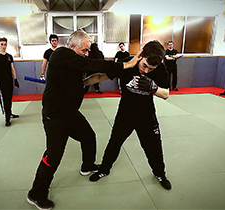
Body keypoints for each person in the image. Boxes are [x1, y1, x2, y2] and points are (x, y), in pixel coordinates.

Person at [27, 30, 142, 210]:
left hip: (70, 113)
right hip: (55, 117)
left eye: (88, 50)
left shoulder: (74, 62)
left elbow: (96, 66)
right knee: (53, 155)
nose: (87, 53)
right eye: (84, 50)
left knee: (89, 137)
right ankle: (36, 193)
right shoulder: (61, 54)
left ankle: (87, 165)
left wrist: (93, 45)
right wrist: (127, 65)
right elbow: (92, 64)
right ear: (72, 46)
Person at [86, 40, 172, 191]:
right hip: (125, 113)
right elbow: (99, 77)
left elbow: (165, 94)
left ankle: (160, 174)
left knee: (154, 147)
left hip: (146, 115)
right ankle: (104, 170)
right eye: (144, 65)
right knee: (114, 143)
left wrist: (153, 87)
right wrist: (79, 83)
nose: (146, 71)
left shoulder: (160, 69)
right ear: (140, 55)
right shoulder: (126, 64)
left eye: (150, 69)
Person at [0, 37, 20, 127]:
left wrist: (15, 80)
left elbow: (12, 69)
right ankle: (7, 118)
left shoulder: (9, 56)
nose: (3, 46)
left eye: (5, 44)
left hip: (9, 81)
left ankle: (9, 113)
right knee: (5, 100)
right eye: (1, 44)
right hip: (1, 82)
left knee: (9, 98)